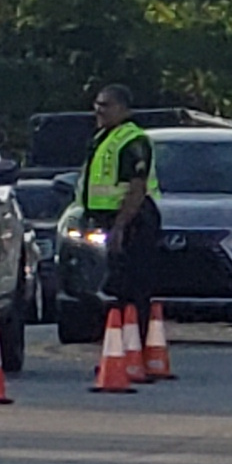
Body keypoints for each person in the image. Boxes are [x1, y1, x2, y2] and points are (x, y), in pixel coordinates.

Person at [78, 84, 161, 332]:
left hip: (132, 221)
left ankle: (135, 347)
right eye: (97, 104)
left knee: (133, 289)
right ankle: (122, 349)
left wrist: (120, 228)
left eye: (105, 105)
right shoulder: (103, 138)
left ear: (123, 109)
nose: (98, 110)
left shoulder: (132, 141)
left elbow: (136, 188)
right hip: (108, 221)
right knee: (115, 288)